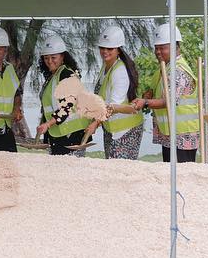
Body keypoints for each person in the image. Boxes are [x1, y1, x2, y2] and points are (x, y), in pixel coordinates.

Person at [132, 23, 200, 162]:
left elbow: (168, 101)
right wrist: (148, 97)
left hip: (183, 135)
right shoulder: (164, 68)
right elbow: (154, 93)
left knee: (181, 177)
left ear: (176, 47)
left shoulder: (178, 71)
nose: (158, 52)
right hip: (170, 133)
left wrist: (145, 102)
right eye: (156, 48)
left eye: (162, 48)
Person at [85, 25, 143, 160]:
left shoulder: (120, 72)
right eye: (102, 48)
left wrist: (95, 123)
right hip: (111, 128)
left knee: (121, 169)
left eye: (109, 48)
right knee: (111, 166)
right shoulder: (106, 66)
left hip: (126, 130)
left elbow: (113, 106)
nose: (105, 51)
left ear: (118, 50)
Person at [34, 32, 90, 156]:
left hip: (71, 135)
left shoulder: (67, 75)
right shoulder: (53, 76)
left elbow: (67, 106)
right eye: (46, 58)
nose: (49, 61)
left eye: (53, 57)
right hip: (58, 133)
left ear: (62, 57)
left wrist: (48, 124)